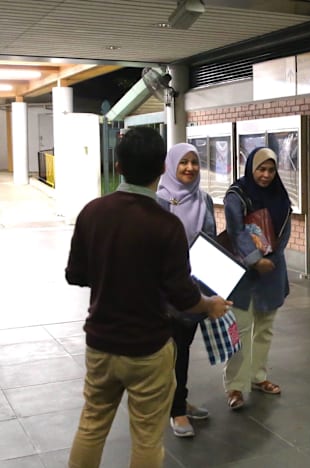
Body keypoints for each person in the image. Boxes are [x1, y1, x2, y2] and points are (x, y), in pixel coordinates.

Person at [65, 127, 230, 468]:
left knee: (92, 425)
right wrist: (209, 305)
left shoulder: (92, 212)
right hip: (148, 347)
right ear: (162, 169)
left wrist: (111, 273)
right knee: (146, 437)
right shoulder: (164, 224)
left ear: (118, 167)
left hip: (101, 343)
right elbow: (182, 295)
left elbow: (75, 275)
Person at [223, 147, 292, 410]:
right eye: (261, 169)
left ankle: (258, 377)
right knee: (239, 329)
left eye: (271, 170)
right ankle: (235, 386)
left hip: (271, 272)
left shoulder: (280, 196)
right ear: (251, 168)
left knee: (265, 327)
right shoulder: (237, 195)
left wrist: (272, 258)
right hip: (242, 273)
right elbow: (236, 230)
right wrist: (255, 259)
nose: (266, 175)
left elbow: (284, 232)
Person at [156, 143, 216, 438]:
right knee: (173, 350)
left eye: (194, 162)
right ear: (171, 166)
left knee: (183, 348)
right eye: (183, 162)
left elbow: (211, 240)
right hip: (166, 291)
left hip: (195, 288)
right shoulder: (159, 201)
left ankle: (178, 399)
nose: (190, 168)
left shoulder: (204, 199)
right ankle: (176, 409)